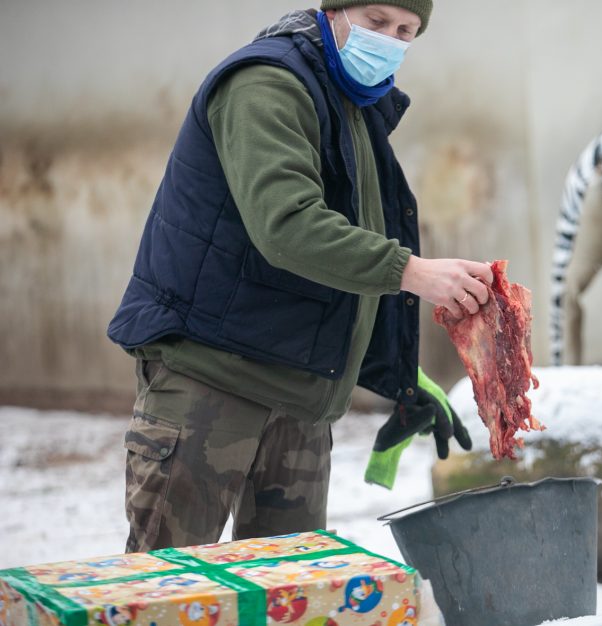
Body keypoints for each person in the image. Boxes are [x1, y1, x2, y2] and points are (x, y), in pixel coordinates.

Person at [107, 0, 491, 553]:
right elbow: (288, 226)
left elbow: (346, 252)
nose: (390, 40)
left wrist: (400, 370)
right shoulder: (266, 83)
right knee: (167, 591)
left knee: (295, 599)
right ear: (333, 12)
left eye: (406, 31)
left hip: (301, 398)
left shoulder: (353, 104)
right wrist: (414, 272)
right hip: (211, 383)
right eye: (376, 21)